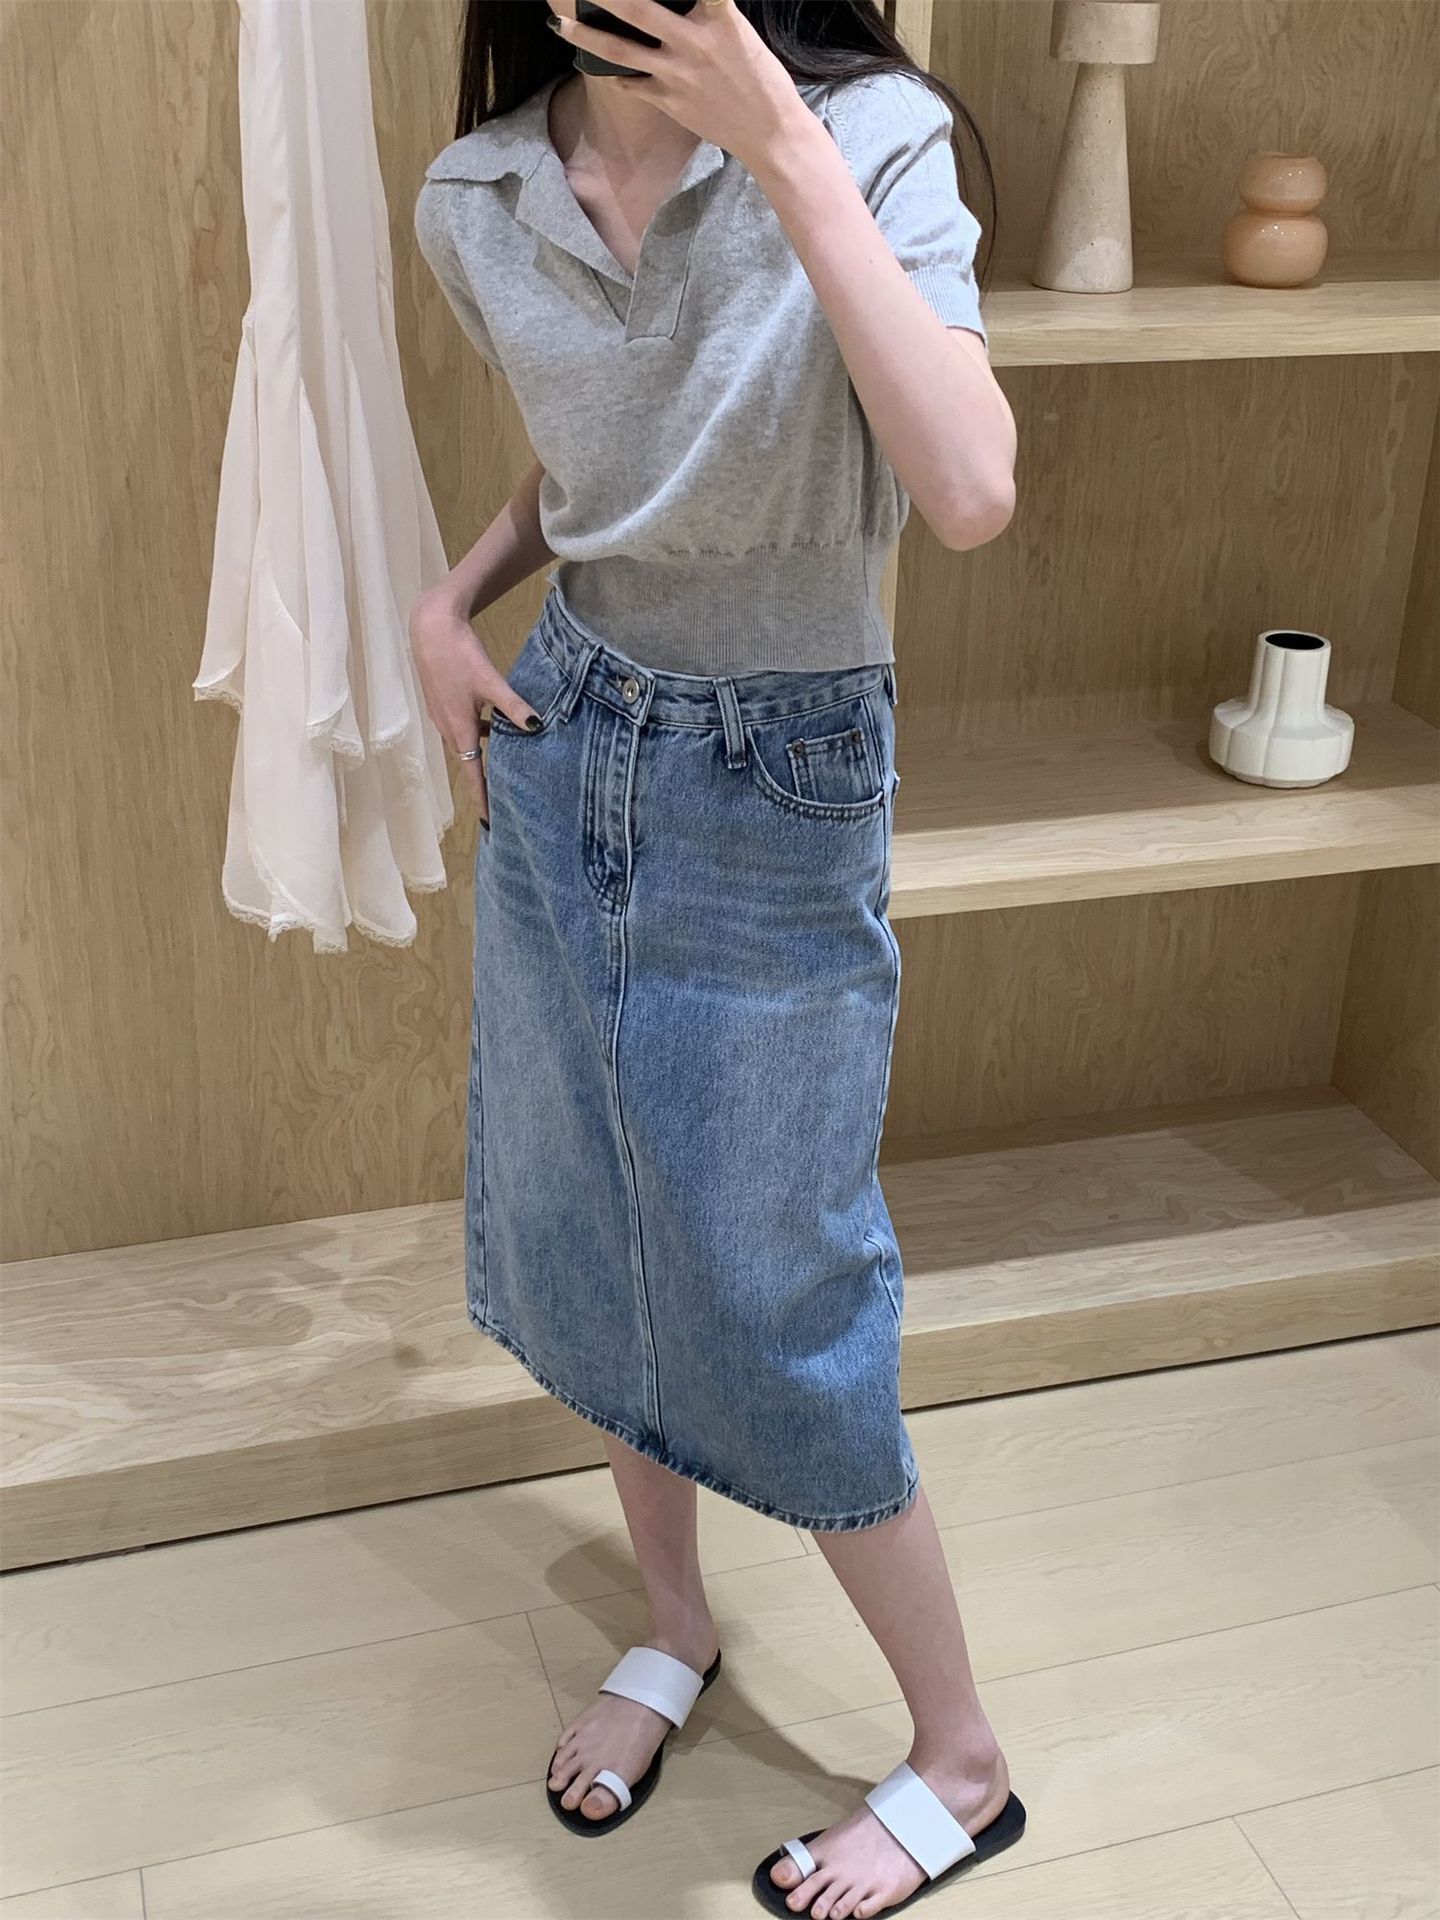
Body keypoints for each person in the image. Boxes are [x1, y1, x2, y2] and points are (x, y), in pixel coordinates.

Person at [409, 2, 1021, 1913]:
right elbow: (616, 465)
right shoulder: (479, 194)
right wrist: (449, 598)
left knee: (779, 1287)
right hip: (569, 727)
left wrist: (784, 147)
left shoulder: (873, 134)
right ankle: (675, 1624)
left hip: (781, 766)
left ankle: (962, 1757)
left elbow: (968, 488)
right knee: (593, 1221)